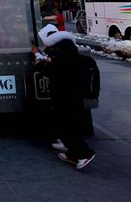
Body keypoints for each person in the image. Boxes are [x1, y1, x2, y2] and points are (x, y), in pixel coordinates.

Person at [33, 24, 96, 170]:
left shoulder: (58, 55)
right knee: (69, 123)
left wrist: (37, 58)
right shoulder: (69, 53)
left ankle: (84, 154)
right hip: (74, 94)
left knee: (66, 125)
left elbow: (49, 70)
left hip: (64, 95)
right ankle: (72, 153)